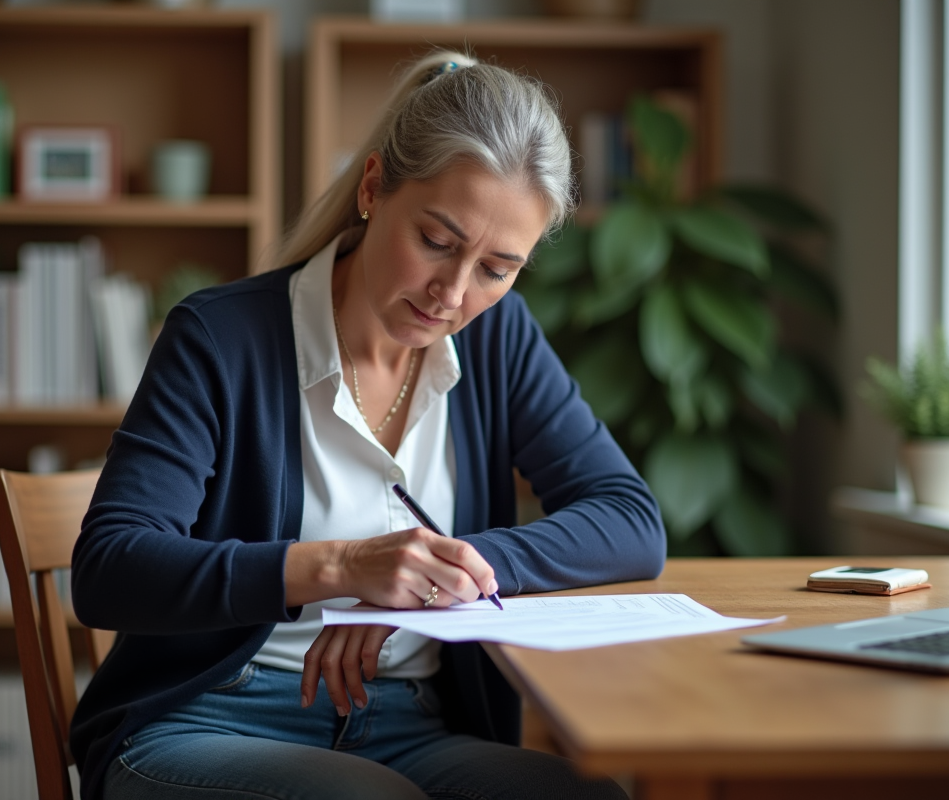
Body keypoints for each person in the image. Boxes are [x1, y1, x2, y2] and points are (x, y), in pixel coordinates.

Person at [70, 51, 666, 800]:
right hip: (208, 720)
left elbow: (631, 522)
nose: (452, 293)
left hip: (412, 724)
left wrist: (430, 576)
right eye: (437, 242)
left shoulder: (499, 338)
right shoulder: (221, 337)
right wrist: (343, 568)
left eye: (496, 268)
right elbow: (109, 569)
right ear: (373, 186)